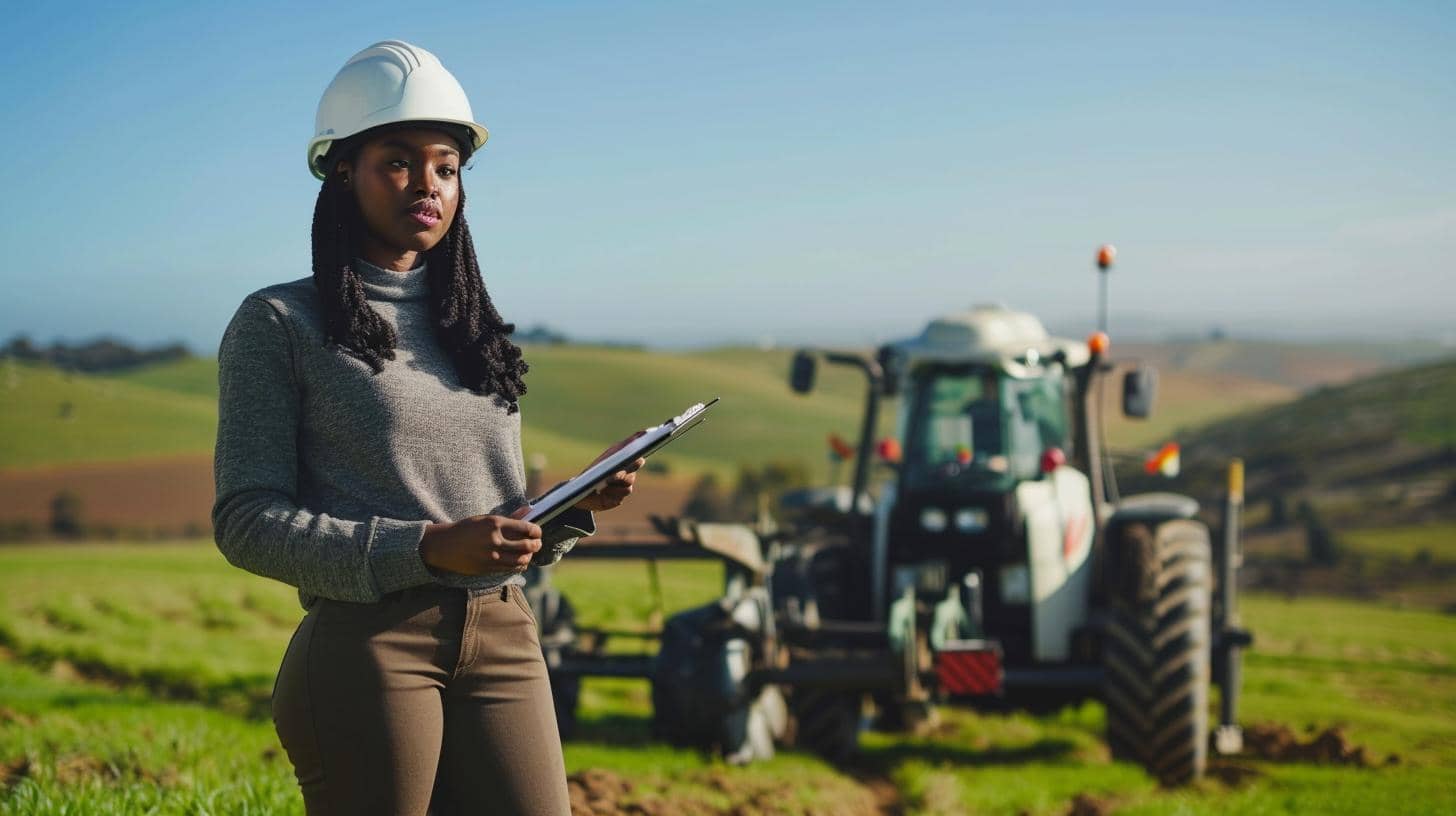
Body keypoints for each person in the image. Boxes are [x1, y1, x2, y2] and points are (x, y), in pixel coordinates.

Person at [211, 40, 641, 816]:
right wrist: (425, 548)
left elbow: (494, 520)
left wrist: (574, 507)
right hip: (372, 649)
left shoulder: (476, 330)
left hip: (507, 635)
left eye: (447, 166)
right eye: (399, 160)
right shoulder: (279, 322)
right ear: (342, 169)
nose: (429, 183)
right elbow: (247, 522)